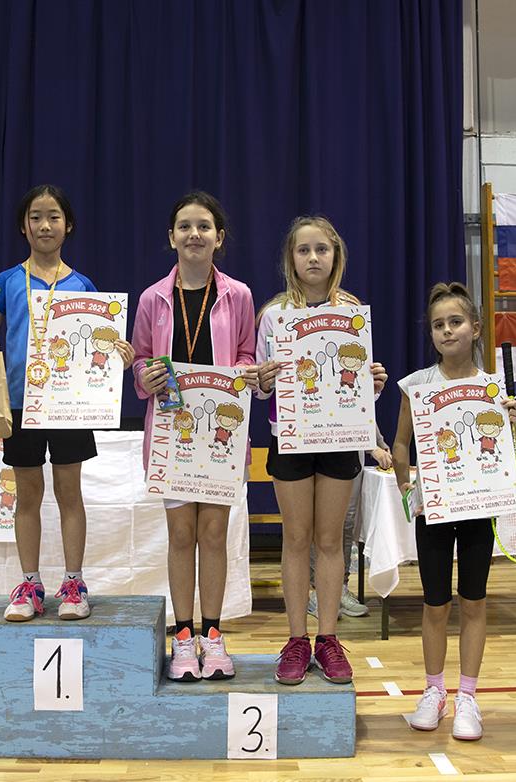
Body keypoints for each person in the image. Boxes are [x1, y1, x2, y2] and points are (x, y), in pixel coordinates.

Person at [0, 185, 133, 623]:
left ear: (68, 225)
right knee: (27, 494)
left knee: (70, 493)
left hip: (70, 405)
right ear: (23, 226)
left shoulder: (83, 285)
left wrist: (118, 355)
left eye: (53, 216)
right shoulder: (4, 282)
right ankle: (30, 583)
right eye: (36, 216)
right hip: (19, 403)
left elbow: (99, 341)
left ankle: (73, 582)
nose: (44, 225)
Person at [254, 216, 388, 685]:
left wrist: (373, 384)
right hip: (290, 437)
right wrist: (263, 380)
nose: (313, 258)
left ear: (336, 256)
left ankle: (328, 638)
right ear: (290, 258)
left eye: (322, 250)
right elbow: (260, 389)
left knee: (331, 541)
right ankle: (296, 639)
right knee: (296, 538)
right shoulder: (273, 315)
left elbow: (355, 387)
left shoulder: (352, 313)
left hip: (338, 439)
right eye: (303, 250)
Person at [132, 191, 257, 681]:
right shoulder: (152, 298)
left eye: (204, 226)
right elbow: (140, 360)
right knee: (182, 535)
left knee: (214, 535)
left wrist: (241, 374)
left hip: (222, 433)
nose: (194, 234)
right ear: (171, 237)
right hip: (172, 432)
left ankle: (214, 635)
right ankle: (183, 637)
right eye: (185, 226)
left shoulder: (239, 295)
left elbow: (246, 355)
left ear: (219, 237)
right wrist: (146, 376)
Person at [391, 282, 516, 741]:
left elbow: (502, 456)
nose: (447, 331)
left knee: (474, 600)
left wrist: (513, 425)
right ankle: (434, 690)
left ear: (476, 328)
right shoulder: (416, 385)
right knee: (434, 603)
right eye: (438, 325)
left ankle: (467, 695)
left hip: (477, 509)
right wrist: (405, 487)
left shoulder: (493, 389)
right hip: (434, 509)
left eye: (455, 322)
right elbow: (401, 444)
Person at [306, 428, 392, 620]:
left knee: (345, 522)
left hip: (349, 451)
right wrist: (372, 446)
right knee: (317, 522)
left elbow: (361, 412)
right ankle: (317, 592)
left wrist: (378, 442)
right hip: (314, 442)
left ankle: (339, 588)